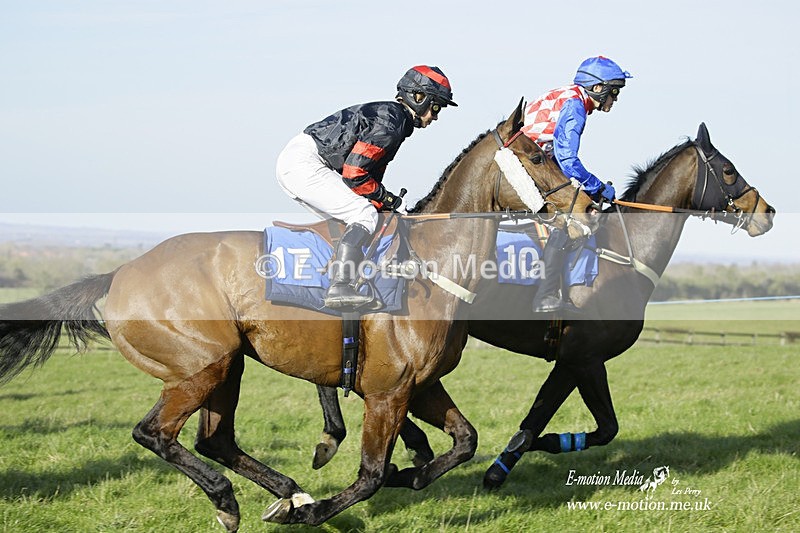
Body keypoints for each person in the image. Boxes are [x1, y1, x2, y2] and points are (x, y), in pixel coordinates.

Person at [276, 65, 457, 309]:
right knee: (363, 214)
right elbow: (355, 173)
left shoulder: (395, 120)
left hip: (303, 161)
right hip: (306, 163)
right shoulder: (391, 122)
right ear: (418, 97)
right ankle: (340, 287)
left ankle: (344, 276)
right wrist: (387, 199)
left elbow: (369, 174)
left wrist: (383, 201)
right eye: (436, 107)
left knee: (365, 215)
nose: (435, 115)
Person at [522, 56, 632, 313]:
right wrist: (597, 188)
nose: (614, 99)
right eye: (613, 92)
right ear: (597, 88)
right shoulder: (575, 106)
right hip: (528, 165)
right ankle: (546, 295)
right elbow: (568, 160)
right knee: (568, 221)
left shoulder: (568, 96)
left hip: (533, 161)